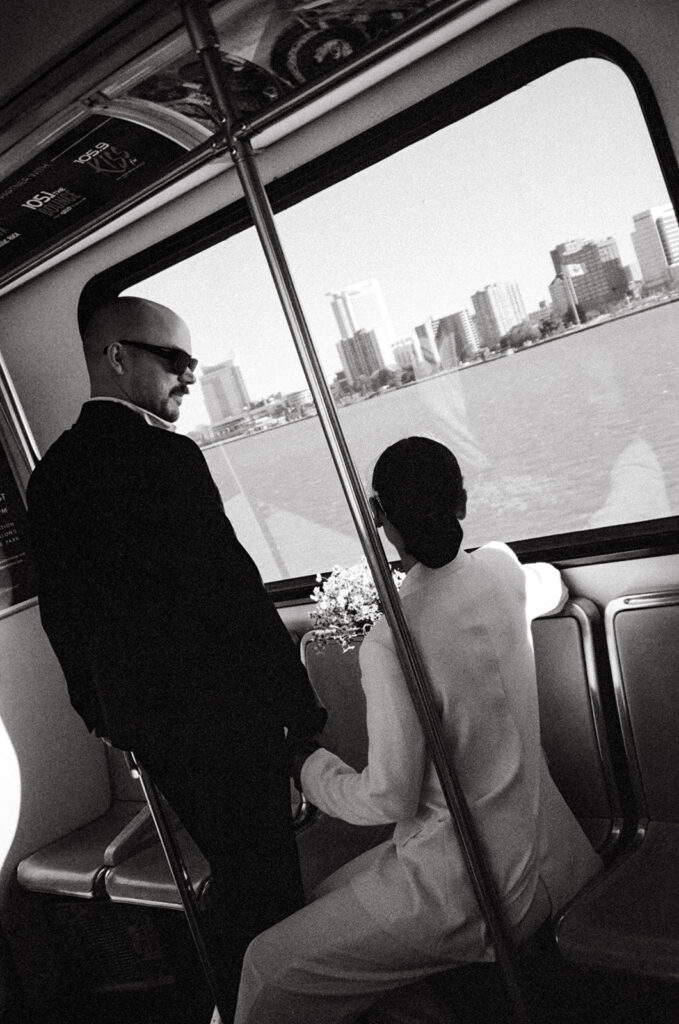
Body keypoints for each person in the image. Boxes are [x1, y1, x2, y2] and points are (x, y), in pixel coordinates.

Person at [26, 295, 326, 1018]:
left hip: (152, 729)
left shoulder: (50, 478)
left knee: (235, 868)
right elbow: (233, 594)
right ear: (116, 356)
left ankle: (241, 1000)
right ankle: (261, 1004)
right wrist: (299, 709)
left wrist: (103, 714)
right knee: (266, 881)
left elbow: (62, 617)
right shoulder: (166, 457)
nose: (189, 377)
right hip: (226, 715)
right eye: (175, 360)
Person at [234, 436, 602, 1024]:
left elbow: (389, 797)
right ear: (462, 500)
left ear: (379, 519)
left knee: (265, 965)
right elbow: (549, 586)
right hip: (551, 850)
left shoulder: (392, 643)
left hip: (472, 887)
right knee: (324, 903)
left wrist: (308, 767)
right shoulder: (503, 569)